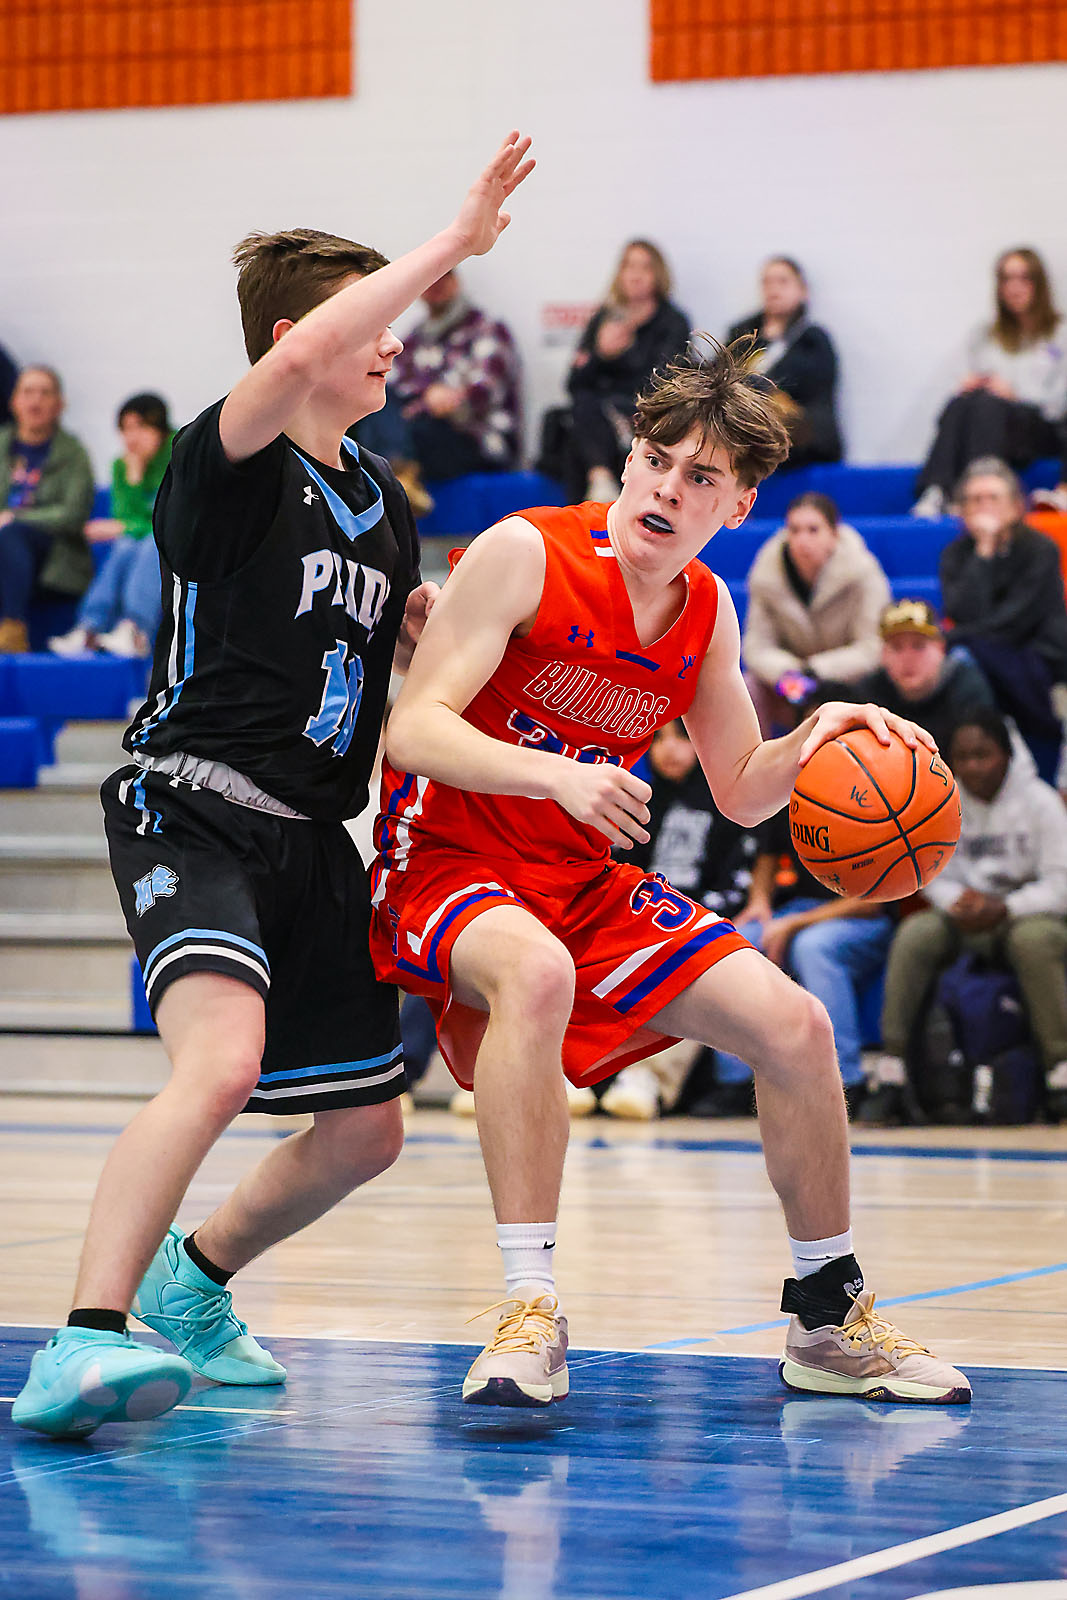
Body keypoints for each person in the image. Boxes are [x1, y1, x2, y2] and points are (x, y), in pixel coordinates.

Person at [12, 130, 536, 1442]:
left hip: (313, 837)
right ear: (303, 333)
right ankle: (81, 1339)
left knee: (366, 1127)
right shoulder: (223, 461)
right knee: (222, 1062)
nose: (393, 347)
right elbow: (298, 359)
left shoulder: (383, 500)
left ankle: (197, 1286)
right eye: (377, 324)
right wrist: (452, 244)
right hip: (188, 803)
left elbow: (397, 646)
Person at [370, 336, 970, 1410]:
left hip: (571, 872)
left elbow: (742, 786)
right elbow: (413, 728)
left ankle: (825, 1318)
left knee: (794, 1027)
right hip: (447, 856)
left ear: (734, 506)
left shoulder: (704, 613)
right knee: (538, 974)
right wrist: (555, 773)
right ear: (627, 459)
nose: (666, 486)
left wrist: (818, 734)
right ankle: (529, 1309)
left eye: (700, 477)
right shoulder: (523, 551)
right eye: (656, 457)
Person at [868, 708, 1067, 1126]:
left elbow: (1061, 885)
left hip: (1025, 915)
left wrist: (1006, 907)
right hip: (965, 915)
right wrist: (958, 901)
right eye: (964, 756)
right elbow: (929, 871)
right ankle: (892, 1070)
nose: (974, 766)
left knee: (1034, 942)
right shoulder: (944, 801)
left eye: (984, 754)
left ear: (1007, 756)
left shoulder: (1042, 804)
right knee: (915, 934)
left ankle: (1059, 1072)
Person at [597, 716, 762, 1120]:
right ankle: (577, 1072)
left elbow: (737, 880)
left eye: (683, 739)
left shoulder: (725, 801)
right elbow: (621, 868)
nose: (670, 749)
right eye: (661, 739)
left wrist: (693, 909)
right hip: (645, 913)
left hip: (703, 917)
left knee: (691, 960)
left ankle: (648, 1080)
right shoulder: (640, 799)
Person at [913, 247, 1067, 519]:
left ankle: (973, 494)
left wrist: (1015, 394)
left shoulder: (1060, 332)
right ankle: (936, 490)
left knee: (987, 406)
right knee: (962, 403)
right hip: (993, 423)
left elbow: (1057, 403)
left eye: (1023, 278)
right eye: (1006, 279)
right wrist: (973, 384)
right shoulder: (985, 334)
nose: (1014, 287)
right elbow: (975, 381)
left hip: (1040, 426)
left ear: (1038, 284)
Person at [939, 457, 1067, 784]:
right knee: (963, 659)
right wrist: (984, 548)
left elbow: (1017, 620)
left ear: (1015, 506)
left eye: (993, 498)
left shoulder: (1040, 549)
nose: (984, 507)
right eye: (974, 499)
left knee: (963, 652)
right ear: (962, 509)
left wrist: (964, 635)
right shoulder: (955, 554)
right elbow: (963, 610)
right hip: (987, 656)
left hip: (1040, 654)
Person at [741, 492, 891, 731]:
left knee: (877, 686)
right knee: (748, 687)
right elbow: (756, 647)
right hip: (789, 684)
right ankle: (753, 764)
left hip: (846, 684)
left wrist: (816, 670)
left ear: (834, 535)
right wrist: (789, 671)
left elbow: (873, 647)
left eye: (813, 530)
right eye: (794, 530)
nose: (802, 540)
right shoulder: (766, 576)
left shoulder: (864, 574)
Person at [561, 240, 690, 503]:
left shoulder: (672, 321)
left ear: (658, 275)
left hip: (642, 411)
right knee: (582, 407)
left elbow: (662, 385)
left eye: (645, 267)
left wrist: (625, 353)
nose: (636, 274)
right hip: (595, 413)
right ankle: (600, 480)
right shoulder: (604, 317)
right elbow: (575, 383)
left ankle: (599, 494)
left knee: (592, 421)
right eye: (629, 266)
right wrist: (600, 354)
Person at [49, 393, 175, 659]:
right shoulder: (122, 465)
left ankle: (135, 627)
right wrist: (134, 477)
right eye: (126, 429)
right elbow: (125, 517)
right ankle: (90, 629)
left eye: (141, 427)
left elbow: (170, 519)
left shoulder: (179, 453)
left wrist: (126, 527)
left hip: (178, 541)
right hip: (145, 540)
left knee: (149, 543)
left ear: (160, 429)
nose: (132, 437)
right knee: (127, 545)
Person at [381, 267, 522, 484]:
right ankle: (398, 476)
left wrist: (435, 402)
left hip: (478, 439)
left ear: (455, 282)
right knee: (379, 404)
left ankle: (399, 478)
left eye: (442, 279)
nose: (435, 287)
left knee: (421, 429)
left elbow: (485, 392)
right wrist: (429, 397)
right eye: (428, 281)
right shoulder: (414, 338)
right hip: (423, 432)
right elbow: (398, 383)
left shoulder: (487, 329)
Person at [0, 365, 94, 653]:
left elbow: (73, 514)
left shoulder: (74, 453)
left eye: (45, 393)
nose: (35, 401)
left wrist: (14, 516)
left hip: (56, 555)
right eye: (28, 392)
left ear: (59, 404)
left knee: (12, 534)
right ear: (14, 401)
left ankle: (12, 630)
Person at [836, 597, 995, 754]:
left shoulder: (969, 691)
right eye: (897, 647)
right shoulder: (866, 696)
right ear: (883, 654)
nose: (907, 659)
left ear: (940, 648)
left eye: (919, 646)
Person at [727, 256, 842, 470]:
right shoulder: (741, 335)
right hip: (745, 443)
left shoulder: (814, 341)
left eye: (783, 281)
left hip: (799, 449)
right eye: (767, 282)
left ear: (802, 290)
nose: (773, 289)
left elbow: (814, 398)